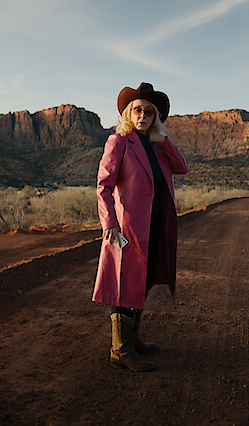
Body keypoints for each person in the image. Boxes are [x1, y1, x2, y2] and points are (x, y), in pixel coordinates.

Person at [92, 82, 188, 371]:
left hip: (156, 225)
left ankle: (132, 341)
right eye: (137, 110)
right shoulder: (119, 142)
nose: (143, 115)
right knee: (123, 285)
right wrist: (109, 223)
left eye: (149, 111)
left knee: (141, 282)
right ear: (128, 113)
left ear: (155, 116)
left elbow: (182, 167)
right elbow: (103, 187)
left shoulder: (157, 147)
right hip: (127, 229)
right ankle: (119, 350)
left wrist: (165, 141)